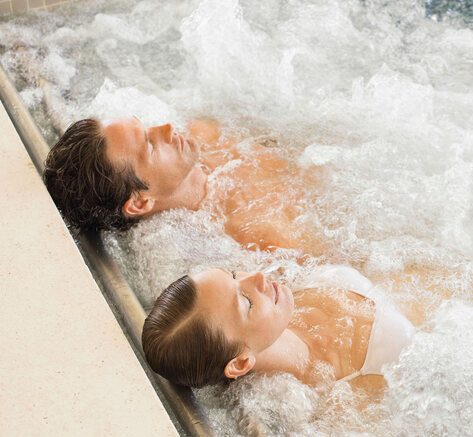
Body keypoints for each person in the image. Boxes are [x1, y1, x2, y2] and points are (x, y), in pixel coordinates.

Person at [43, 118, 314, 252]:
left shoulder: (202, 133)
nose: (168, 128)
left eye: (147, 127)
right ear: (140, 201)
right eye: (150, 145)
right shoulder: (252, 232)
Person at [141, 265, 415, 388]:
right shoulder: (344, 394)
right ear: (240, 363)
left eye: (234, 275)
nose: (258, 277)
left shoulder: (289, 292)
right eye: (247, 302)